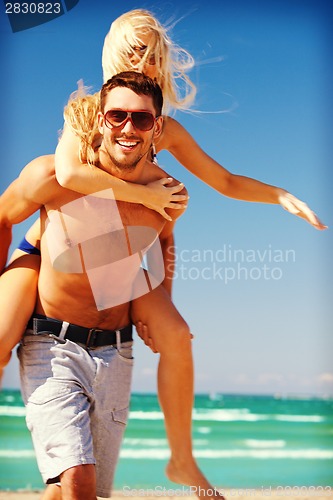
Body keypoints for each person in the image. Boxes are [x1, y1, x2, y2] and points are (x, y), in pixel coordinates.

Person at [0, 6, 326, 497]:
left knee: (174, 333)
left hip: (118, 257)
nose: (144, 61)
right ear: (113, 56)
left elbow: (221, 183)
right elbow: (66, 177)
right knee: (3, 331)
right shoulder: (89, 111)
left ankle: (182, 460)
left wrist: (279, 195)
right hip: (48, 247)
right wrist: (148, 194)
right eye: (134, 52)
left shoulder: (161, 129)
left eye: (152, 54)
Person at [0, 72, 202, 500]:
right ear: (100, 121)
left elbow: (163, 239)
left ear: (157, 128)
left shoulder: (168, 194)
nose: (128, 128)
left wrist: (159, 303)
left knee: (74, 490)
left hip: (115, 351)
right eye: (117, 116)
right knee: (78, 480)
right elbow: (3, 217)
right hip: (51, 342)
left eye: (142, 120)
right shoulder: (51, 178)